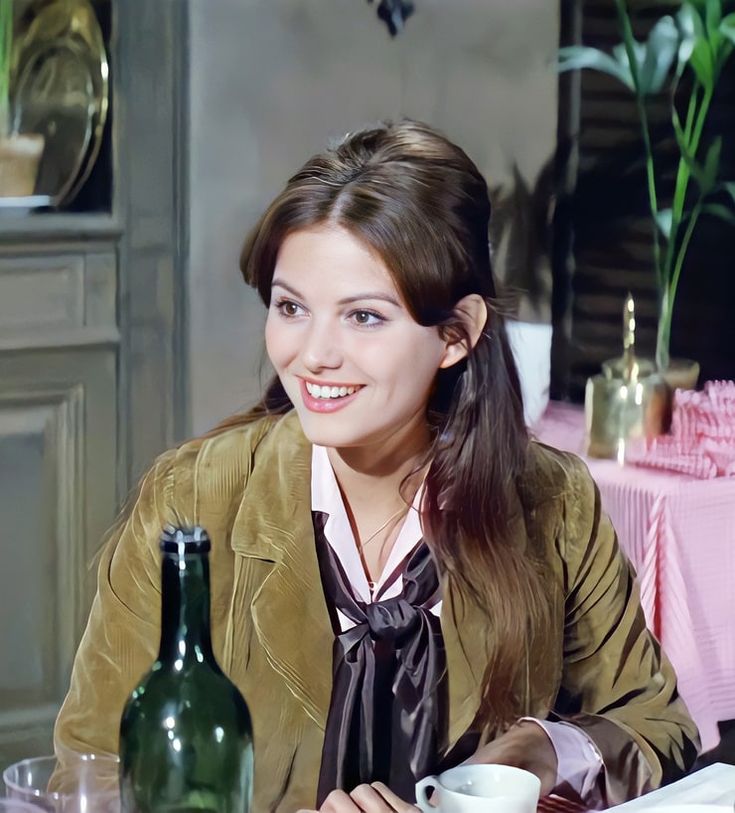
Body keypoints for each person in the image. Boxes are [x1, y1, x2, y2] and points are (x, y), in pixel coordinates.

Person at [54, 119, 699, 812]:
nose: (313, 354)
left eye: (362, 317)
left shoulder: (552, 502)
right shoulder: (192, 501)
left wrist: (542, 747)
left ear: (456, 333)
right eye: (290, 307)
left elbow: (655, 724)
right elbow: (87, 777)